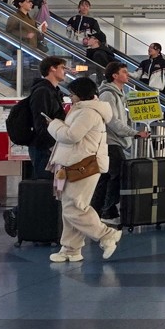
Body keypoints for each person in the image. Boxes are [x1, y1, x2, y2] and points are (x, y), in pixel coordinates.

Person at [46, 76, 123, 262]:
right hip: (76, 163)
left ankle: (106, 234)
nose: (70, 97)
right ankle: (71, 249)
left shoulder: (88, 112)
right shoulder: (83, 110)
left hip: (82, 164)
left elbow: (72, 136)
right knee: (71, 205)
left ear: (80, 94)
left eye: (72, 94)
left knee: (74, 207)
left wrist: (54, 125)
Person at [2, 55, 69, 238]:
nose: (65, 71)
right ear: (52, 69)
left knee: (50, 186)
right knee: (44, 185)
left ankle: (39, 223)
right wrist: (50, 145)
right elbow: (42, 123)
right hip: (43, 147)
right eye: (62, 67)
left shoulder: (53, 91)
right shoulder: (43, 92)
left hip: (50, 146)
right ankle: (18, 213)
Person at [92, 62, 149, 225]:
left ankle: (98, 211)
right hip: (111, 141)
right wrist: (134, 133)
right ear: (114, 76)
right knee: (117, 175)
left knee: (106, 177)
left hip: (114, 141)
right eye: (124, 72)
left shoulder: (119, 94)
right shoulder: (108, 95)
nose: (128, 74)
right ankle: (108, 211)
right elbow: (112, 121)